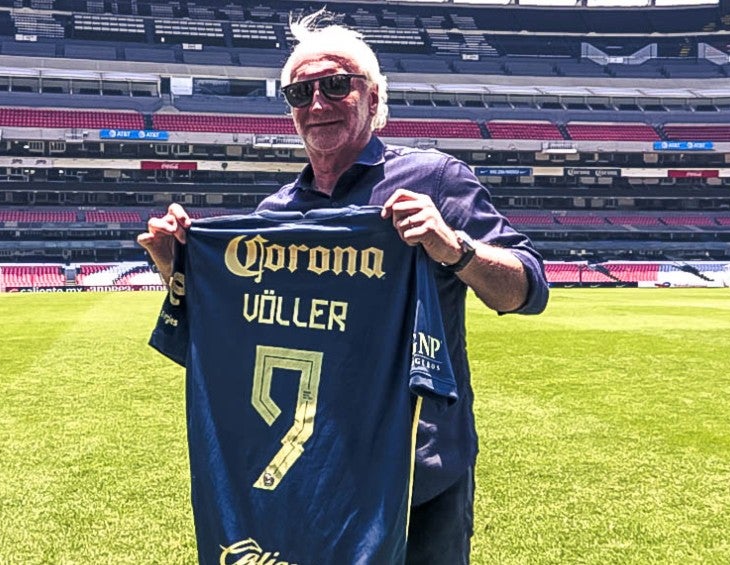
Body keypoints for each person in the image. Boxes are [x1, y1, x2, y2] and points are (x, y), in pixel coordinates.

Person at [139, 9, 549, 564]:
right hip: (314, 476)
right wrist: (176, 268)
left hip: (418, 470)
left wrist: (455, 248)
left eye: (336, 85)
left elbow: (527, 291)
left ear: (375, 99)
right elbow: (228, 349)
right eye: (299, 92)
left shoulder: (435, 179)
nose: (317, 104)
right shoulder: (273, 216)